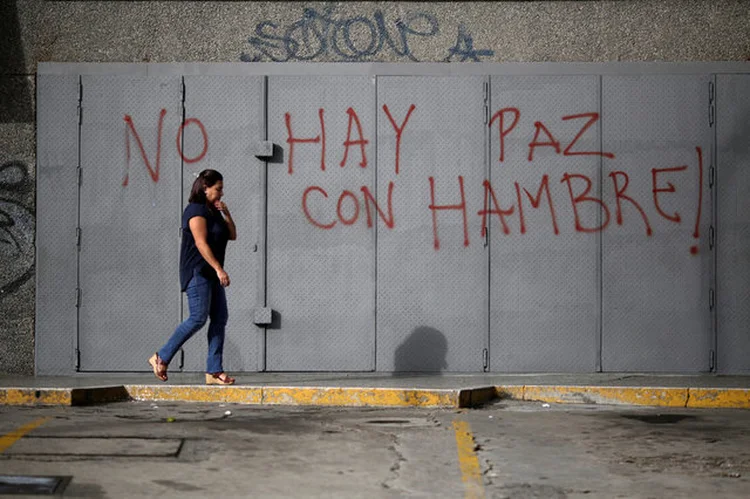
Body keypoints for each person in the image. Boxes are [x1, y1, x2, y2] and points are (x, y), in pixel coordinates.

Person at [148, 169, 237, 385]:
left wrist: (226, 213)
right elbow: (200, 243)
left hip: (212, 273)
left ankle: (214, 371)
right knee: (198, 317)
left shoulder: (214, 211)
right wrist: (219, 269)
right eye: (218, 189)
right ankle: (161, 356)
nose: (221, 193)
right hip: (198, 272)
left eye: (222, 189)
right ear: (205, 188)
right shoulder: (195, 211)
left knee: (220, 318)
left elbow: (232, 234)